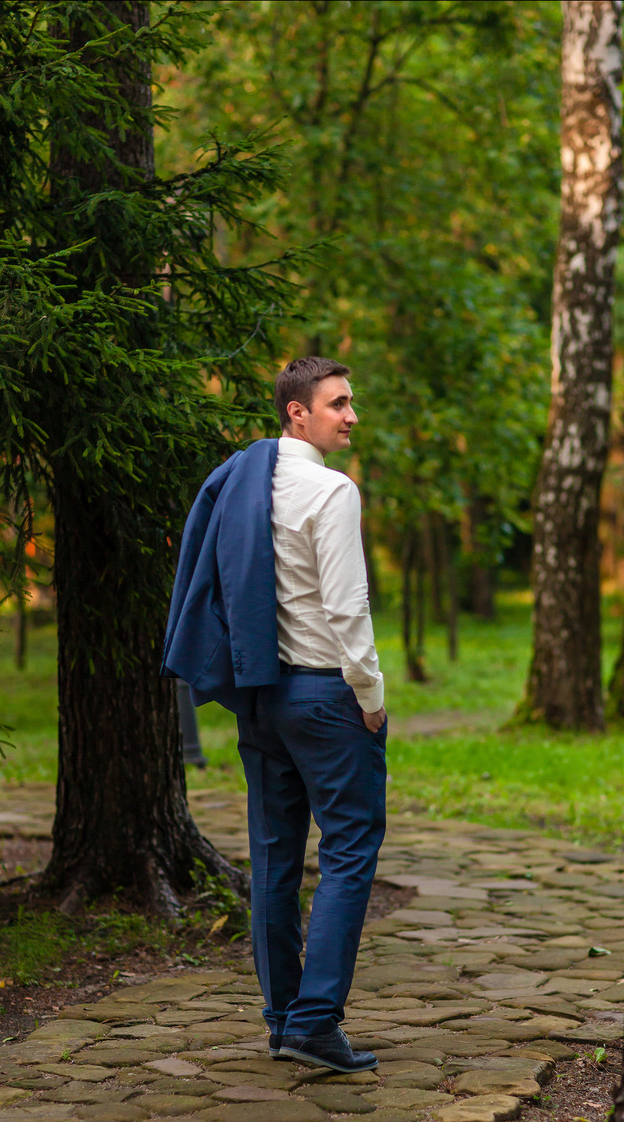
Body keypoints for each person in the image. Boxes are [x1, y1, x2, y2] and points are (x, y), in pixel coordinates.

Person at [164, 355, 387, 1074]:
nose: (352, 416)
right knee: (351, 848)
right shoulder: (332, 492)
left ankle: (282, 1018)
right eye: (339, 404)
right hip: (326, 694)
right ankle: (315, 1023)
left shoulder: (244, 482)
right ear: (299, 412)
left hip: (260, 690)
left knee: (274, 856)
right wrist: (372, 695)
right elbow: (348, 607)